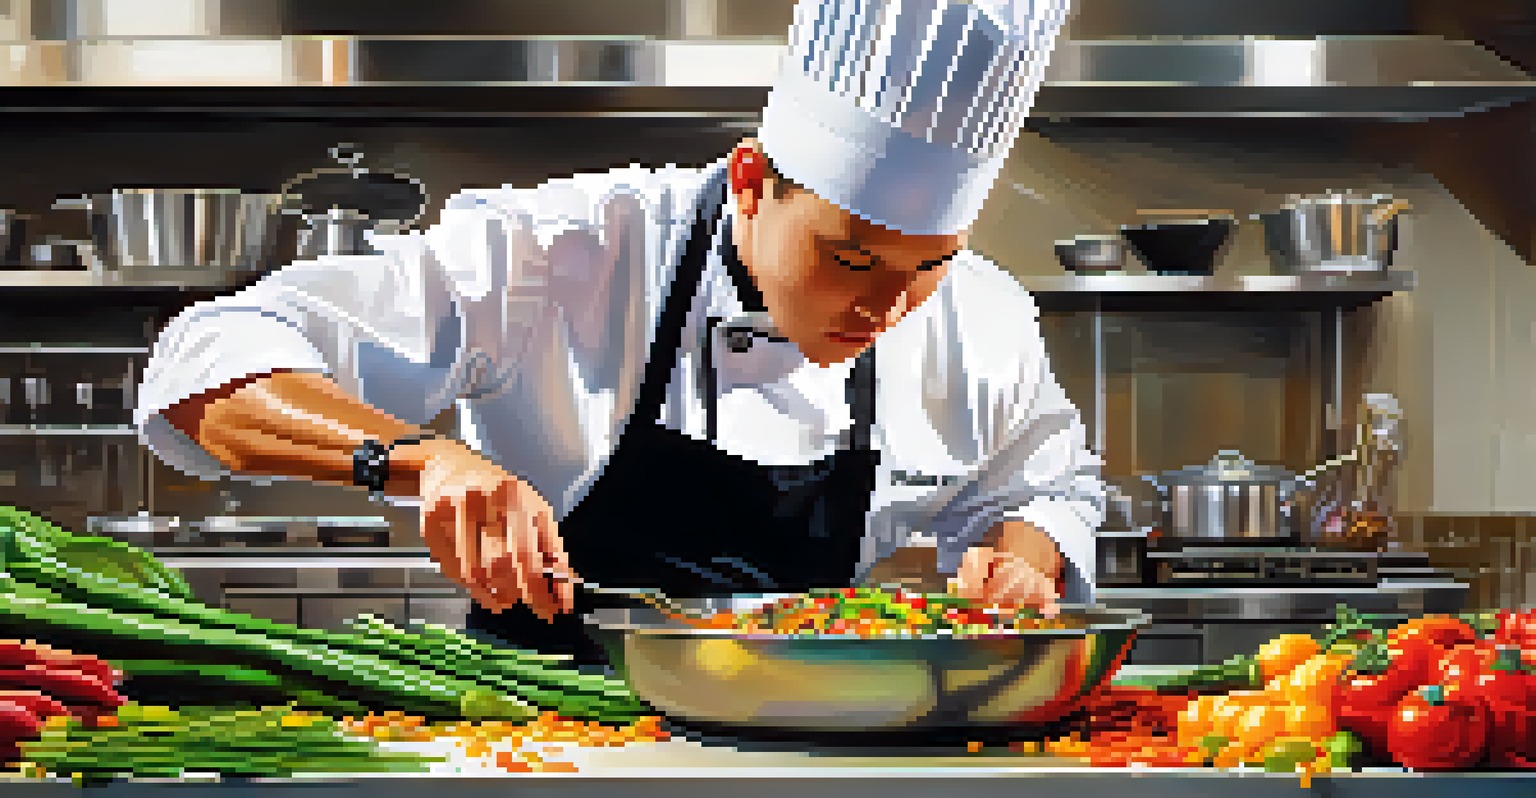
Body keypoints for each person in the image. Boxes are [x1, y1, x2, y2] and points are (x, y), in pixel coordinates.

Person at [135, 0, 1103, 665]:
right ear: (751, 183)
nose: (889, 308)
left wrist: (1022, 557)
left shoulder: (981, 311)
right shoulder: (561, 252)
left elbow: (1044, 483)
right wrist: (424, 459)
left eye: (928, 264)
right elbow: (213, 355)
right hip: (541, 726)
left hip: (814, 728)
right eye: (850, 260)